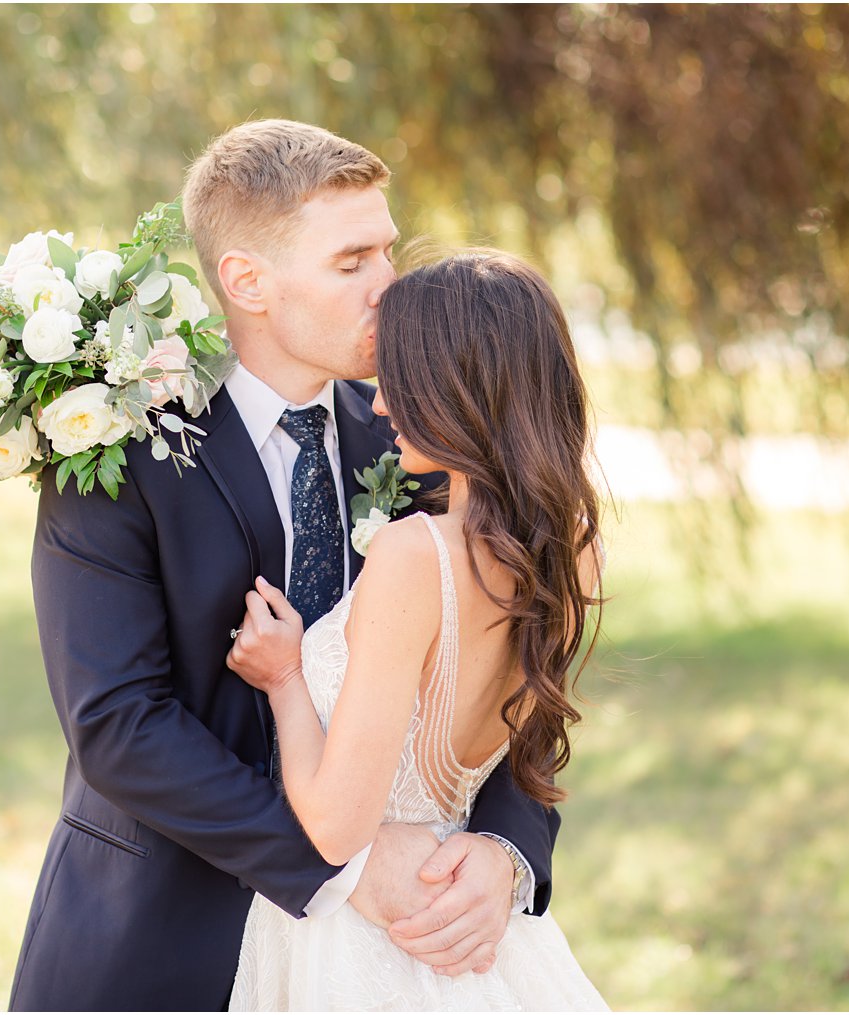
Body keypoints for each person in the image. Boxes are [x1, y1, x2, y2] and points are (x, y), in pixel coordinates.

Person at [7, 122, 562, 1011]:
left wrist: (505, 849)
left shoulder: (418, 437)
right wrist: (344, 863)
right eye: (352, 262)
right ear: (247, 282)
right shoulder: (118, 447)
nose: (390, 285)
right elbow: (117, 722)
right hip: (161, 942)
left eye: (387, 248)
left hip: (401, 954)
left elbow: (507, 652)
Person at [226, 251, 609, 1010]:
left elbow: (335, 828)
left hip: (364, 942)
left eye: (400, 378)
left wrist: (284, 679)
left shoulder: (415, 554)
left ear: (457, 387)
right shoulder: (575, 549)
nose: (378, 405)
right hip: (467, 931)